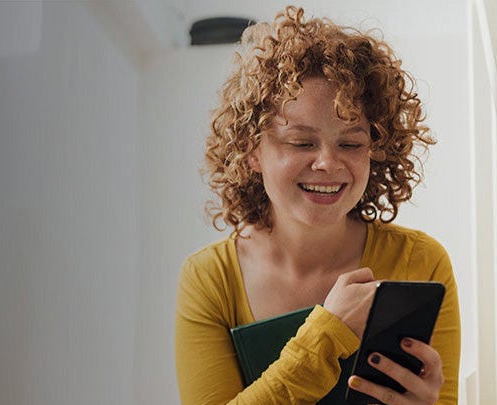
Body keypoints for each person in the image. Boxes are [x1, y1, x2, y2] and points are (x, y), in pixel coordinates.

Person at [175, 6, 460, 404]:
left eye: (350, 143)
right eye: (301, 142)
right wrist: (328, 332)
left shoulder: (422, 263)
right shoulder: (210, 279)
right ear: (250, 151)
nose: (327, 162)